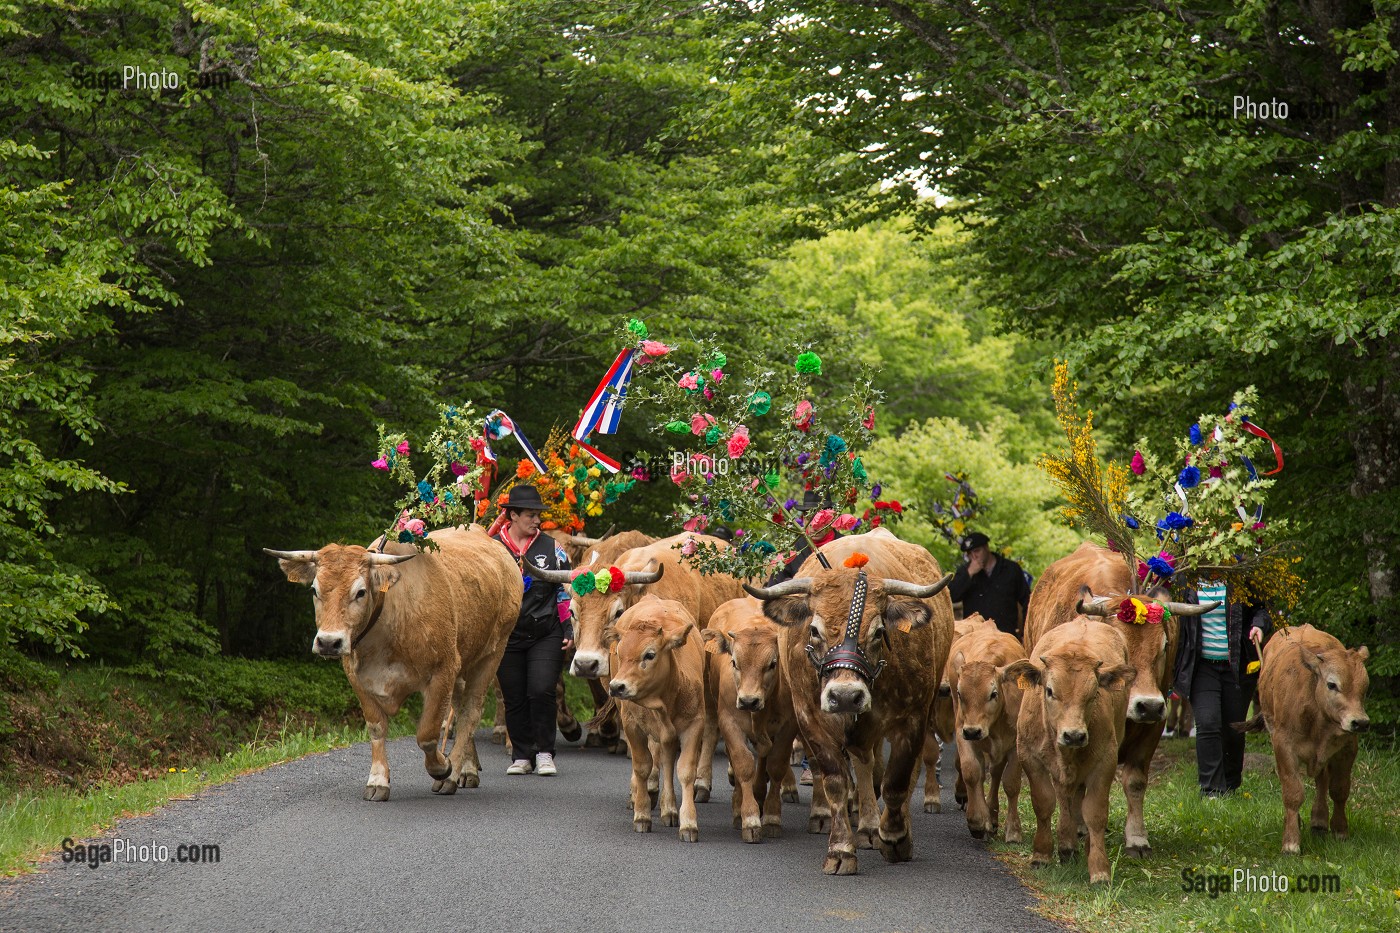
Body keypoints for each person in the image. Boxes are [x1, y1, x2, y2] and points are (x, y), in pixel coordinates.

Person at [492, 484, 575, 776]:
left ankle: (544, 753)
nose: (537, 521)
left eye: (538, 515)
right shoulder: (492, 549)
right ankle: (522, 755)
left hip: (546, 631)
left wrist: (568, 629)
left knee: (541, 689)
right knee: (513, 696)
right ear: (512, 515)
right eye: (530, 515)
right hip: (506, 635)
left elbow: (564, 592)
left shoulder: (553, 548)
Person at [1173, 579, 1271, 797]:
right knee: (1207, 723)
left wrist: (1258, 626)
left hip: (1237, 665)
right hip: (1202, 666)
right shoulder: (1186, 579)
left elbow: (1261, 610)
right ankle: (1211, 790)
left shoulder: (1239, 575)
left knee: (1233, 728)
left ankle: (1230, 784)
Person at [948, 532, 1031, 638]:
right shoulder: (965, 572)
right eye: (969, 554)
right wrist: (969, 574)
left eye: (977, 551)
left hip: (1005, 636)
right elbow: (952, 596)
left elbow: (1027, 601)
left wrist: (1025, 633)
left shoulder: (1011, 569)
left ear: (986, 548)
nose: (974, 556)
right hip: (975, 638)